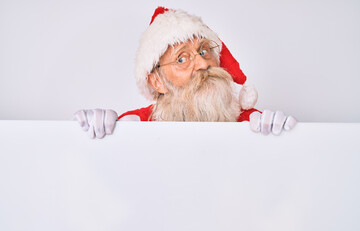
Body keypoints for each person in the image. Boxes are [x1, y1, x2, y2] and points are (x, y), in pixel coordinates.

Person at [73, 6, 297, 139]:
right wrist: (105, 135)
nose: (202, 63)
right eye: (182, 58)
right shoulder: (138, 124)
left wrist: (280, 140)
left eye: (204, 51)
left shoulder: (249, 123)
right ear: (157, 82)